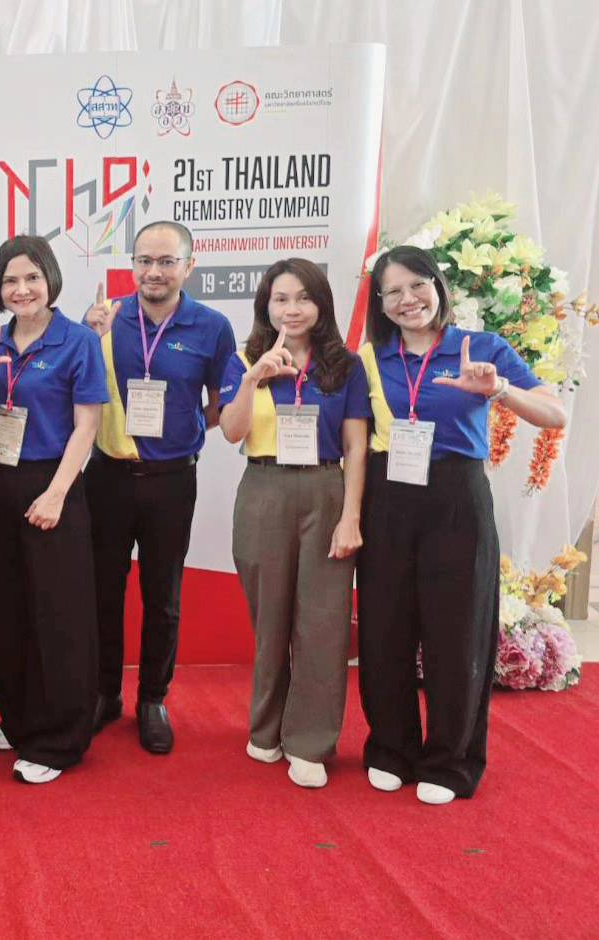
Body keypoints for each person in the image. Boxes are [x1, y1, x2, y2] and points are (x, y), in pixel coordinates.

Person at [357, 245, 565, 804]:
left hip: (456, 496)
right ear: (380, 302)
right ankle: (391, 748)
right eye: (393, 291)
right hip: (388, 495)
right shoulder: (372, 356)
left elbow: (555, 413)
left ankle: (451, 761)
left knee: (457, 632)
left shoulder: (483, 348)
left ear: (439, 286)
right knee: (384, 627)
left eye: (417, 285)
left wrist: (499, 390)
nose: (407, 299)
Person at [217, 258, 369, 789]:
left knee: (323, 623)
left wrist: (351, 517)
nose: (292, 309)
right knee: (271, 620)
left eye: (304, 297)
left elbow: (355, 445)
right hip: (264, 489)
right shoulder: (244, 359)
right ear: (266, 305)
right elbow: (231, 432)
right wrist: (253, 378)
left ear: (321, 303)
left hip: (326, 488)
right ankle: (266, 729)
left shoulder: (345, 365)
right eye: (281, 299)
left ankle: (310, 742)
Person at [85, 220, 236, 754]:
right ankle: (104, 693)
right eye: (144, 260)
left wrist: (185, 428)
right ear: (132, 265)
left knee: (163, 597)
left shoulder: (212, 327)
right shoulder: (107, 319)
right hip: (107, 476)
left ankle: (153, 698)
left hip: (172, 479)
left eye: (167, 261)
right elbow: (77, 391)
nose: (154, 271)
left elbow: (222, 403)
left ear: (188, 266)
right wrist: (88, 335)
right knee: (102, 591)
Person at [0, 235, 106, 785]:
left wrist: (57, 493)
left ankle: (59, 738)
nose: (21, 289)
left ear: (50, 280)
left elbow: (87, 427)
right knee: (6, 607)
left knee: (58, 614)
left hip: (52, 482)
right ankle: (19, 716)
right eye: (10, 281)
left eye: (31, 278)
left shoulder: (78, 341)